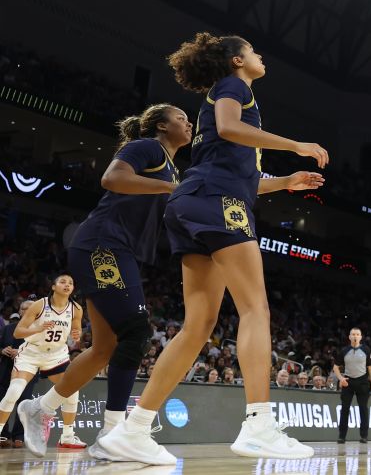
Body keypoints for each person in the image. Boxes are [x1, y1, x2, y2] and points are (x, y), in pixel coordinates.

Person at [97, 32, 328, 464]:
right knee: (255, 309)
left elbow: (238, 172)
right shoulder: (234, 86)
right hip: (218, 201)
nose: (260, 56)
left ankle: (134, 429)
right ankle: (259, 424)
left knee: (198, 325)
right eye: (254, 51)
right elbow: (229, 128)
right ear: (237, 60)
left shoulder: (227, 101)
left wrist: (286, 181)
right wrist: (296, 145)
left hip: (193, 201)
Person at [18, 104, 192, 459]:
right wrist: (170, 186)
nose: (189, 123)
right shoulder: (148, 147)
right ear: (161, 126)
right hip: (103, 244)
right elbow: (112, 178)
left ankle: (39, 409)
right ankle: (113, 433)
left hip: (117, 250)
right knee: (137, 332)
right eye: (181, 118)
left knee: (104, 348)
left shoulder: (172, 167)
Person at [1, 276, 84, 450]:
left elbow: (76, 330)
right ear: (53, 287)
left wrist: (77, 334)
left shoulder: (76, 308)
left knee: (72, 391)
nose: (67, 285)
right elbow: (17, 332)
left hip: (56, 355)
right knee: (14, 391)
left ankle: (67, 436)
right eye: (63, 282)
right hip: (31, 353)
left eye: (70, 283)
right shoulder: (39, 305)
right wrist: (39, 328)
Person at [333, 328, 371, 443]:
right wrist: (341, 379)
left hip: (362, 381)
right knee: (345, 409)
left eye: (357, 334)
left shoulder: (366, 350)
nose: (355, 336)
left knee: (363, 409)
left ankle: (364, 436)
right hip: (348, 381)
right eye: (353, 334)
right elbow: (335, 367)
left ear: (361, 337)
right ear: (349, 337)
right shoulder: (344, 351)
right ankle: (342, 436)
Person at [0, 300, 34, 447]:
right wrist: (2, 350)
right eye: (23, 309)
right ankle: (3, 434)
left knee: (23, 404)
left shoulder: (39, 330)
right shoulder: (8, 328)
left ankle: (19, 436)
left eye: (29, 309)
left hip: (28, 371)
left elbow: (43, 350)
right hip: (6, 371)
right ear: (19, 311)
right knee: (3, 400)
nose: (25, 311)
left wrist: (20, 352)